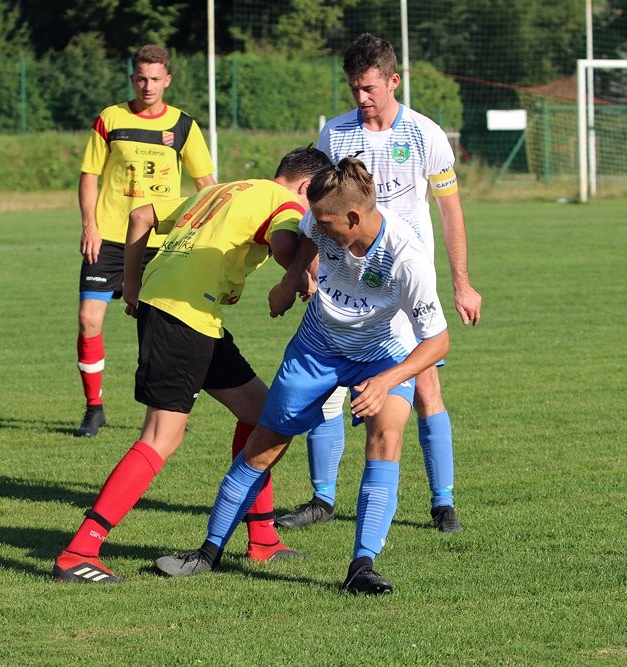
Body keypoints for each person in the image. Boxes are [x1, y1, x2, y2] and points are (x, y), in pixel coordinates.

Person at [154, 158, 450, 595]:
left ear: (354, 218)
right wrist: (290, 280)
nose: (317, 226)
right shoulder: (320, 219)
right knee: (264, 445)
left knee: (386, 438)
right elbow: (309, 238)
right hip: (317, 347)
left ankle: (362, 566)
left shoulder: (408, 257)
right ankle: (207, 552)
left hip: (382, 355)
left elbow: (437, 342)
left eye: (328, 223)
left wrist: (386, 381)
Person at [52, 147, 333, 584]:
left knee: (261, 414)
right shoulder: (285, 201)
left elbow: (141, 215)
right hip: (183, 314)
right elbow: (284, 243)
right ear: (305, 186)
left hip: (188, 312)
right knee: (162, 436)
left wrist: (131, 284)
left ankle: (262, 540)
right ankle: (78, 552)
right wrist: (298, 278)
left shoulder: (221, 190)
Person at [276, 32, 481, 533]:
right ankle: (322, 498)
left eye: (369, 87)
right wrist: (304, 271)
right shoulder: (335, 135)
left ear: (394, 80)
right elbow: (318, 212)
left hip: (403, 282)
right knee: (328, 387)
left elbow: (450, 212)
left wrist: (461, 282)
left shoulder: (425, 135)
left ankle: (443, 503)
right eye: (354, 88)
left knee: (424, 385)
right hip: (345, 282)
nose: (361, 97)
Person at [74, 44, 216, 437]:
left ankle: (167, 411)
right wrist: (89, 224)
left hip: (160, 240)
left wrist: (206, 230)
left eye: (155, 79)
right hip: (109, 237)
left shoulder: (183, 125)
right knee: (88, 320)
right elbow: (89, 175)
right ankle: (94, 408)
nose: (147, 86)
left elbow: (206, 184)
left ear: (167, 80)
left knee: (159, 331)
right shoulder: (110, 118)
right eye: (141, 78)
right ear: (132, 78)